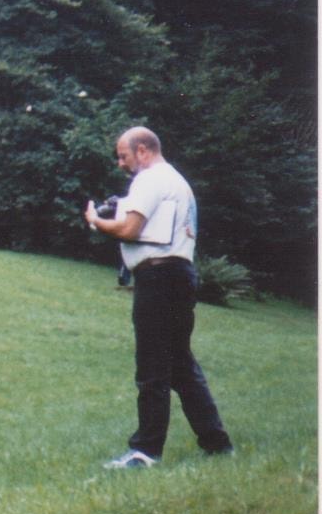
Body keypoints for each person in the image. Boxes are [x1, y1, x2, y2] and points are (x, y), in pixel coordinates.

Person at [83, 126, 233, 469]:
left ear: (143, 150)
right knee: (180, 366)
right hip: (181, 276)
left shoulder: (149, 179)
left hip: (158, 278)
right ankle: (217, 444)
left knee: (152, 366)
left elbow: (129, 230)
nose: (121, 164)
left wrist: (96, 220)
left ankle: (145, 452)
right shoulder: (179, 183)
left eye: (124, 156)